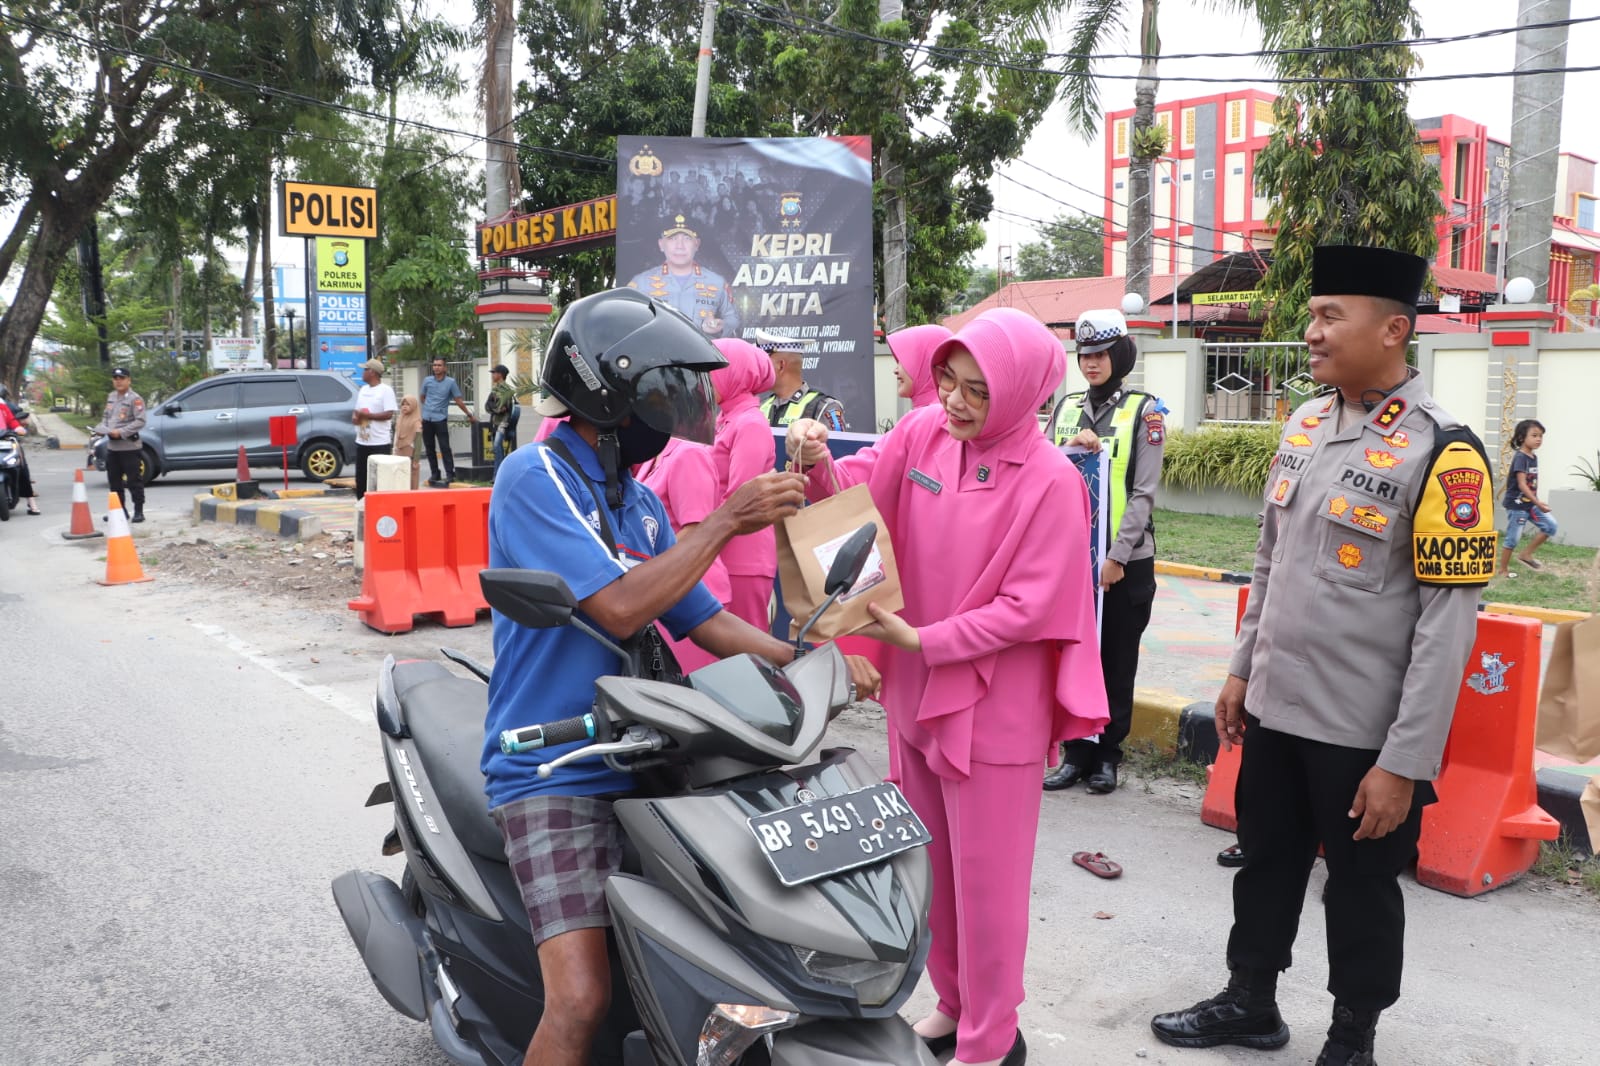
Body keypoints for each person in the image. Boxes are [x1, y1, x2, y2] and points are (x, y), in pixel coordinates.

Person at [483, 288, 879, 1066]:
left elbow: (704, 621)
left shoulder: (635, 501)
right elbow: (623, 610)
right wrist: (728, 520)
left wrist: (809, 662)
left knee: (731, 956)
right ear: (610, 395)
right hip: (554, 767)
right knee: (580, 999)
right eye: (660, 396)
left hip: (651, 753)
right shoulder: (534, 477)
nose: (670, 414)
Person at [1149, 246, 1496, 1066]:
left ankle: (1352, 1037)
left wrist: (1405, 761)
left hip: (1362, 733)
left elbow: (1448, 628)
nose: (1310, 332)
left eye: (1329, 315)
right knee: (1264, 862)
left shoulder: (1445, 453)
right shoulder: (1305, 423)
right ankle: (1251, 1001)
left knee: (1363, 889)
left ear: (1393, 329)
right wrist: (1241, 671)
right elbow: (1269, 561)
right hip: (1277, 708)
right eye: (1312, 316)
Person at [787, 307, 1109, 1066]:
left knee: (990, 888)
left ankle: (992, 1038)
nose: (956, 403)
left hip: (997, 704)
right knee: (928, 866)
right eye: (950, 383)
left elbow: (1030, 608)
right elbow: (862, 510)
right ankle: (954, 1003)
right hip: (915, 687)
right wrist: (818, 465)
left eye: (977, 391)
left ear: (1025, 393)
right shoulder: (924, 433)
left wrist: (924, 639)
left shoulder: (1055, 482)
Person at [1042, 309, 1166, 796]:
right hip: (1071, 560)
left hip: (1124, 563)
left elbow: (1143, 492)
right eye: (1084, 354)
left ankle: (1108, 755)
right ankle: (1075, 753)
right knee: (1074, 655)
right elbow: (1041, 468)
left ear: (1119, 355)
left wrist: (1115, 557)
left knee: (1116, 659)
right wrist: (1066, 446)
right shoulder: (1067, 407)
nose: (1090, 363)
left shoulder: (1146, 410)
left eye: (1099, 354)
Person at [638, 436, 730, 673]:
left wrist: (649, 569)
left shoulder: (689, 454)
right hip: (666, 586)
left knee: (689, 688)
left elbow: (696, 530)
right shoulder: (654, 454)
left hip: (692, 588)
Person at [709, 337, 779, 630]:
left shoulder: (749, 424)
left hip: (742, 558)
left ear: (731, 374)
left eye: (710, 371)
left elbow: (742, 499)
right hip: (725, 549)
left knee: (744, 658)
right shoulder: (727, 420)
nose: (702, 380)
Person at [625, 215, 740, 338]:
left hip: (703, 355)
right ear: (661, 244)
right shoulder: (640, 284)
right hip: (656, 355)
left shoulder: (717, 282)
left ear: (696, 244)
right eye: (672, 238)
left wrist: (722, 325)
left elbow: (733, 319)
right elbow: (625, 319)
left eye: (687, 238)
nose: (680, 246)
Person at [1497, 418, 1557, 577]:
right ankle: (1502, 569)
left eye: (1541, 436)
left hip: (1530, 504)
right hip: (1517, 506)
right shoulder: (1521, 457)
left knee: (1551, 526)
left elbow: (1532, 484)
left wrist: (1536, 501)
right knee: (1513, 538)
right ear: (1522, 438)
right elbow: (1522, 484)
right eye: (1534, 435)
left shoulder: (1533, 457)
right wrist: (1538, 502)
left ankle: (1526, 555)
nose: (1538, 439)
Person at [757, 328, 846, 431]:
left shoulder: (825, 407)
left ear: (781, 365)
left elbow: (838, 446)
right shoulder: (761, 407)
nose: (759, 369)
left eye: (764, 363)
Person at [93, 367, 147, 522]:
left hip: (129, 447)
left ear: (129, 380)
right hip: (113, 447)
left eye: (122, 378)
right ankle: (119, 511)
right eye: (116, 379)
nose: (118, 381)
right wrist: (100, 429)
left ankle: (138, 511)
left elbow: (141, 420)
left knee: (133, 481)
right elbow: (106, 417)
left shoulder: (135, 399)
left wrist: (122, 432)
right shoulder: (111, 396)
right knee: (114, 481)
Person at [419, 357, 474, 485]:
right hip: (427, 418)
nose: (436, 367)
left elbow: (458, 400)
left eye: (439, 365)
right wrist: (428, 407)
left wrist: (468, 414)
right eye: (434, 365)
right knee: (429, 448)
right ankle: (435, 473)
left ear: (445, 368)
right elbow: (422, 397)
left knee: (445, 447)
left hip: (440, 419)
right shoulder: (427, 381)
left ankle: (450, 473)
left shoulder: (450, 382)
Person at [351, 359, 397, 500]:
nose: (362, 373)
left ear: (372, 372)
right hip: (362, 441)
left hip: (379, 442)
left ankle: (379, 505)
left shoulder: (385, 391)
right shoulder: (363, 390)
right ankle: (362, 504)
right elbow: (357, 410)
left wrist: (368, 416)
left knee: (379, 478)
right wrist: (356, 417)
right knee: (361, 478)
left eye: (365, 370)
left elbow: (389, 414)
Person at [888, 324, 954, 409]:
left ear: (928, 361)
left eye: (905, 361)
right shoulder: (942, 411)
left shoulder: (934, 415)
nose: (895, 370)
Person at [0, 395, 39, 515]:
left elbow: (11, 420)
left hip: (6, 440)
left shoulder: (2, 405)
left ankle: (31, 503)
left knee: (21, 467)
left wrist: (18, 428)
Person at [483, 363, 520, 475]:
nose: (492, 375)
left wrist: (494, 408)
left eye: (494, 373)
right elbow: (487, 406)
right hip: (496, 422)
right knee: (497, 448)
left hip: (504, 423)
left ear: (500, 374)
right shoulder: (495, 390)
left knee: (497, 446)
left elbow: (502, 408)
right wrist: (495, 408)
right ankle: (499, 473)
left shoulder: (507, 391)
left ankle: (498, 473)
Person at [393, 394, 422, 491]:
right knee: (400, 479)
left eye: (408, 404)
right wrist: (394, 451)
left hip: (410, 455)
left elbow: (418, 442)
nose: (404, 406)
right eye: (403, 404)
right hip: (399, 453)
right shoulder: (400, 418)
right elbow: (396, 436)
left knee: (411, 480)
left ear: (413, 406)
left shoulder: (416, 421)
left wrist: (416, 460)